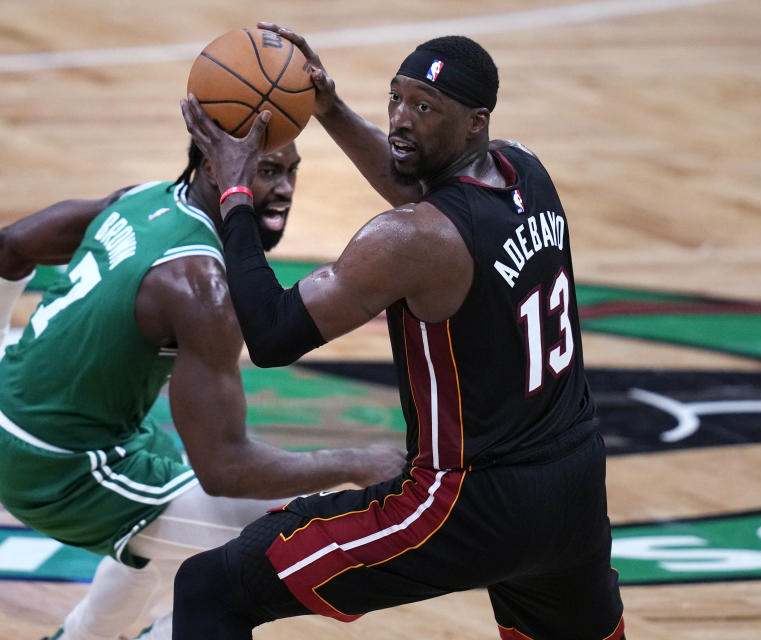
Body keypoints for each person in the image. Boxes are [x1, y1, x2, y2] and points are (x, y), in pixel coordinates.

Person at [175, 22, 626, 640]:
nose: (400, 119)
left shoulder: (412, 239)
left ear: (474, 122)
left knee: (210, 590)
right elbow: (414, 183)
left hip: (464, 503)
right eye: (396, 98)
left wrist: (233, 190)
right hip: (573, 487)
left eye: (424, 108)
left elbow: (274, 336)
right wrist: (328, 108)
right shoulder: (527, 171)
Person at [0, 139, 405, 640]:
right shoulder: (199, 285)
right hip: (59, 464)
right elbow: (226, 470)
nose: (284, 190)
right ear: (215, 166)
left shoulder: (143, 198)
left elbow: (11, 244)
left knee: (165, 548)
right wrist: (354, 464)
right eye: (267, 171)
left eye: (291, 171)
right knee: (278, 536)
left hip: (32, 410)